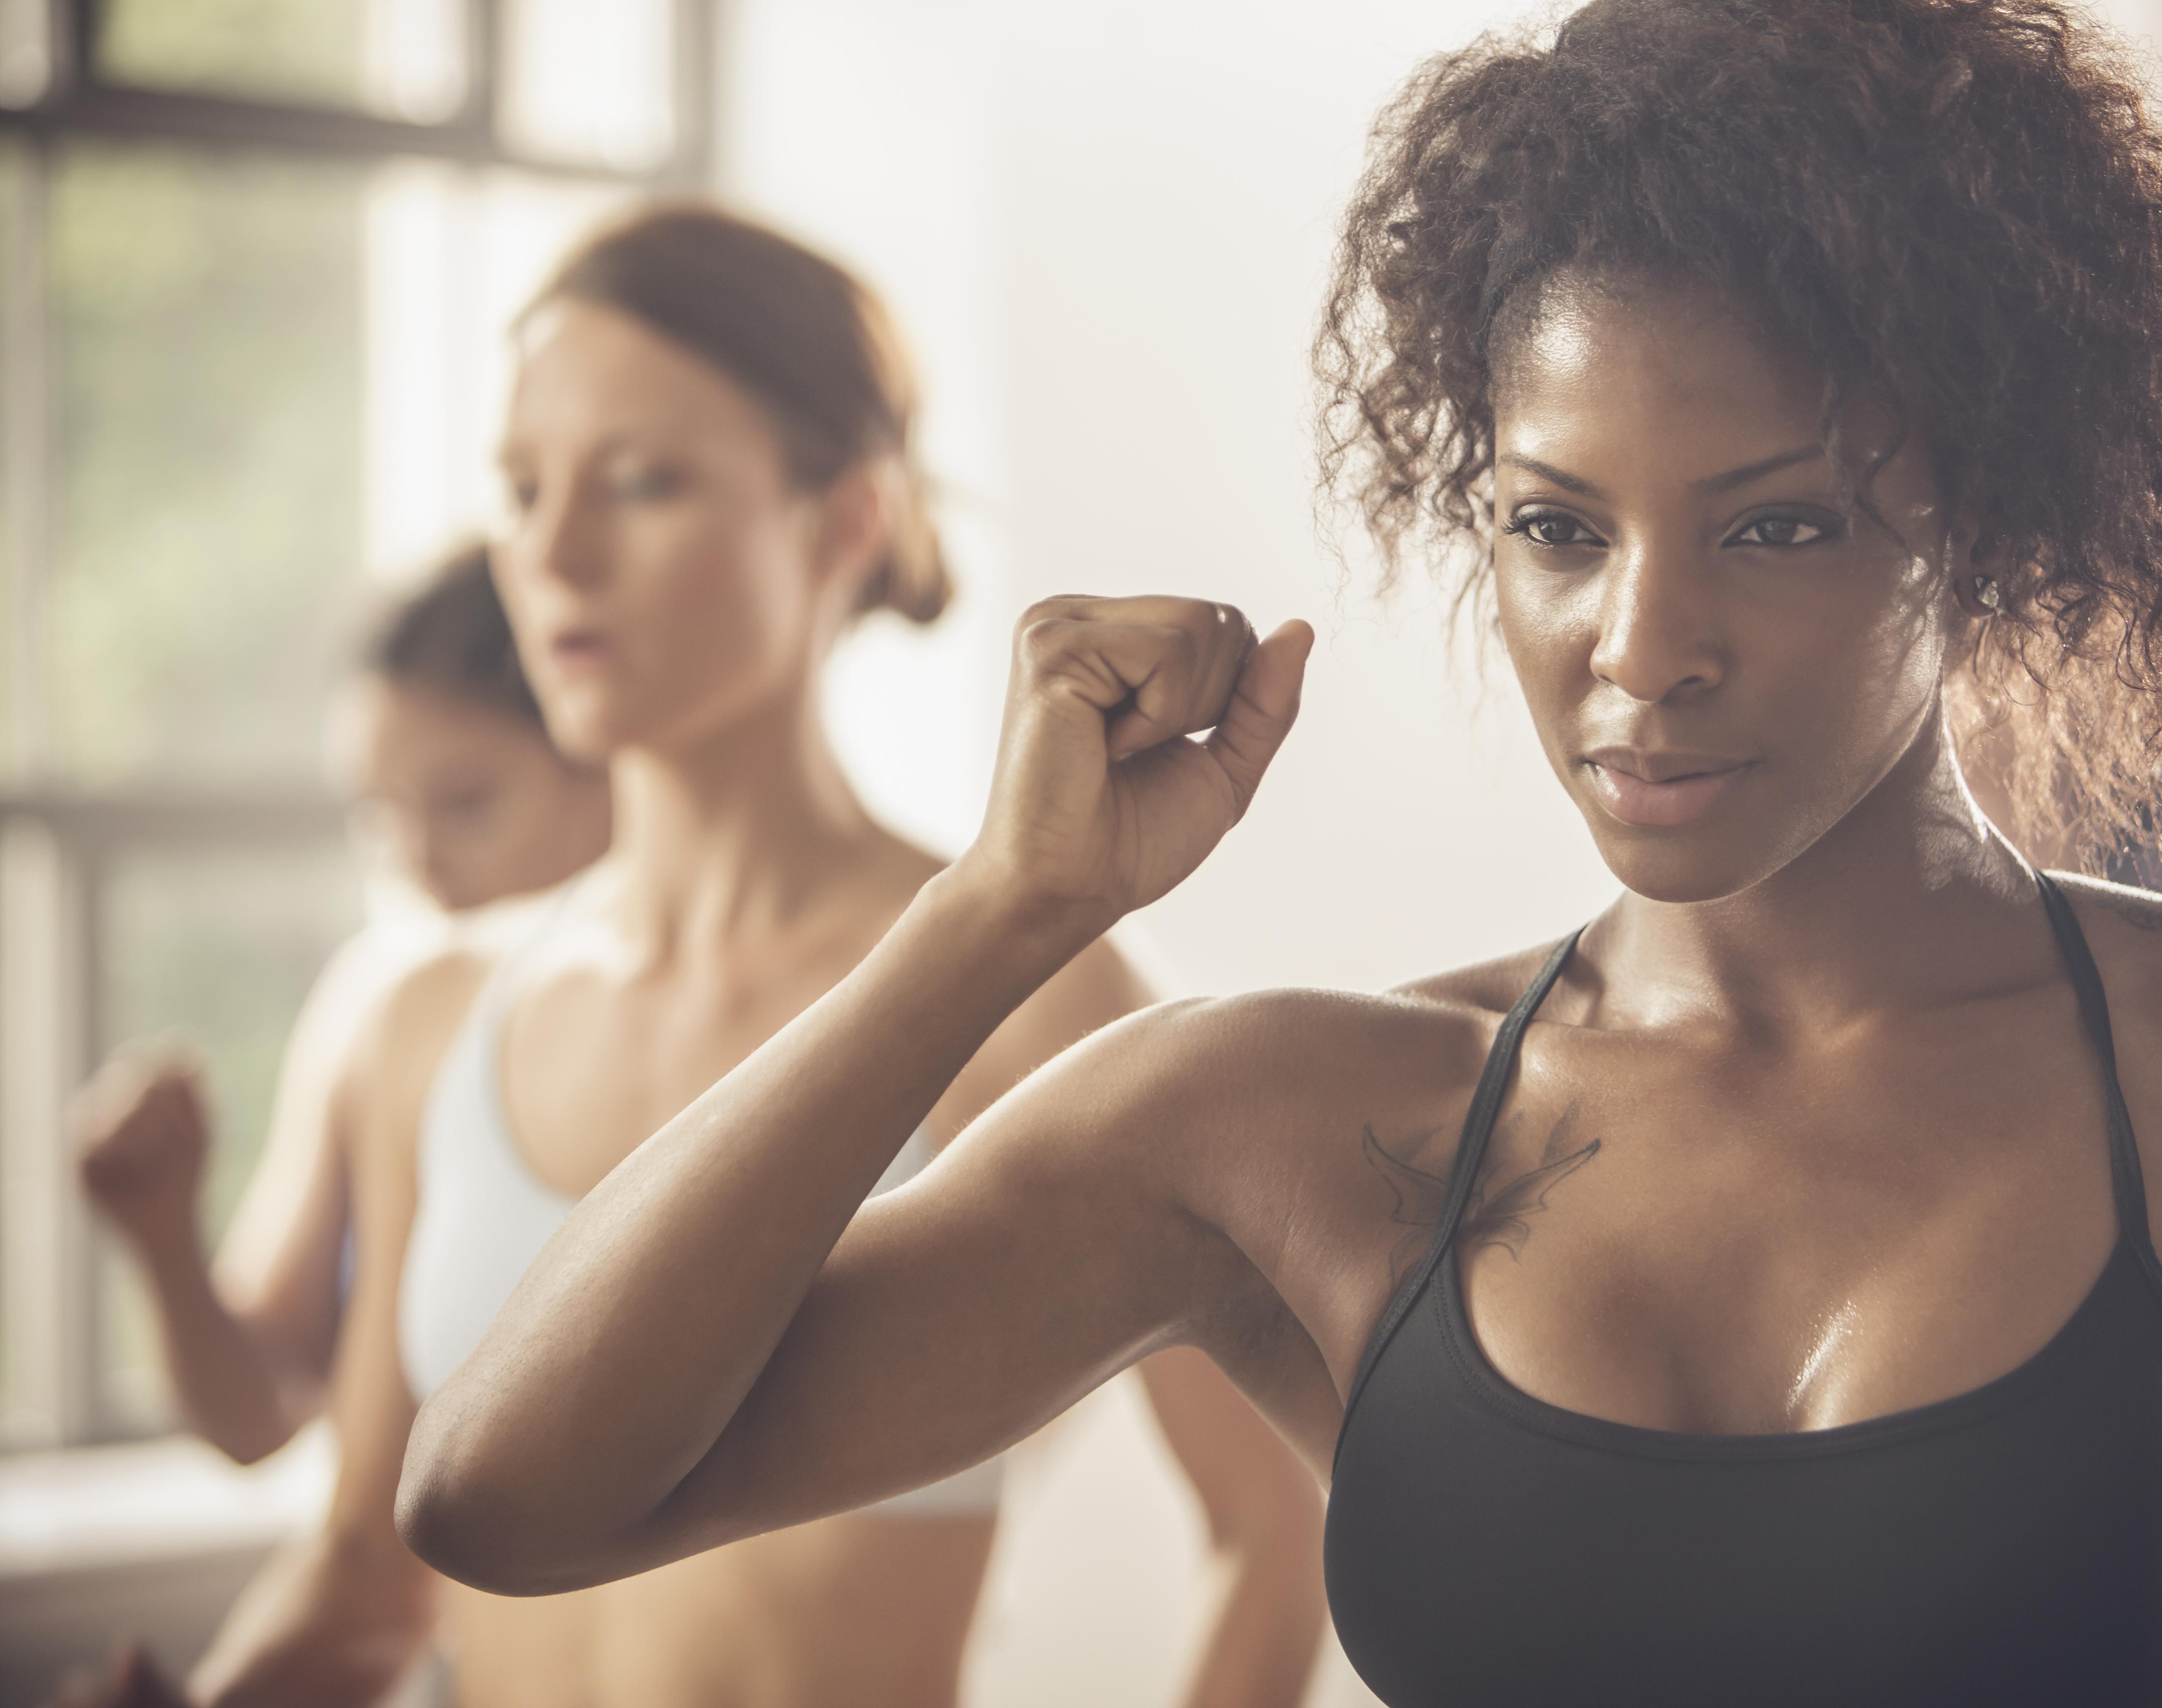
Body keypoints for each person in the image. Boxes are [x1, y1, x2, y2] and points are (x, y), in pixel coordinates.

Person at [399, 5, 2162, 1706]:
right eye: (1558, 528)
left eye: (1777, 523)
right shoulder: (1291, 1127)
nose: (1642, 649)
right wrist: (998, 917)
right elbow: (511, 1491)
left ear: (1983, 519)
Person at [136, 205, 1327, 1708]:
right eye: (519, 489)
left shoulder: (1030, 1003)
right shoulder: (424, 1024)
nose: (554, 553)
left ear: (843, 523)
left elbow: (1272, 1531)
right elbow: (371, 1584)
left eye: (639, 484)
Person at [74, 545, 612, 1467]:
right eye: (379, 814)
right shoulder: (372, 1010)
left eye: (467, 805)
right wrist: (164, 1240)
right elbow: (256, 1419)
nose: (418, 863)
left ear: (605, 760)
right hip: (404, 1595)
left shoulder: (704, 1019)